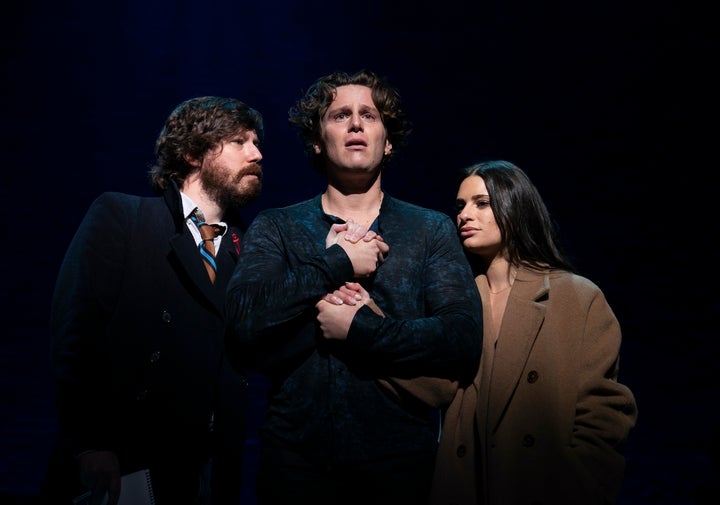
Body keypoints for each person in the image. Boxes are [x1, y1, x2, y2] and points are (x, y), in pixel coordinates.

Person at [224, 68, 483, 505]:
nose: (357, 123)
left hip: (402, 467)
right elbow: (243, 325)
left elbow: (461, 335)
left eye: (370, 115)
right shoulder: (277, 227)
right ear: (317, 140)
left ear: (389, 139)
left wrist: (361, 328)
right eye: (340, 115)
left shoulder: (429, 229)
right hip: (295, 467)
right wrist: (335, 262)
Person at [41, 96, 265, 505]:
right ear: (192, 152)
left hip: (213, 466)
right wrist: (90, 443)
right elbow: (78, 331)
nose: (257, 153)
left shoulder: (249, 248)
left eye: (255, 141)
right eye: (238, 141)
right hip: (127, 459)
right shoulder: (124, 217)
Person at [429, 159, 638, 505]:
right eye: (461, 205)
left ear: (515, 205)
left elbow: (605, 411)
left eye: (482, 203)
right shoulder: (455, 302)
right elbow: (426, 381)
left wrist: (581, 481)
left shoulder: (576, 296)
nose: (464, 214)